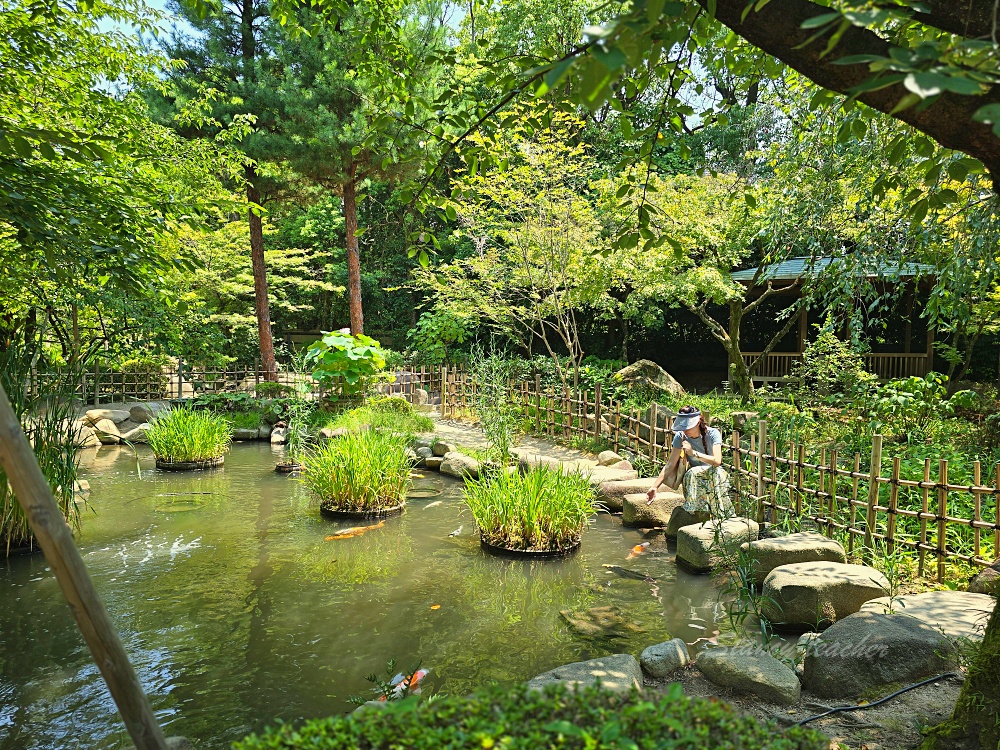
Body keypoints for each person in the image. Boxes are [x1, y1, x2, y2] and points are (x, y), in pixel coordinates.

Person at [645, 405, 733, 518]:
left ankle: (719, 513)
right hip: (694, 477)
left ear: (697, 423)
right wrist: (655, 486)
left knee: (699, 473)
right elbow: (670, 464)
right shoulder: (680, 436)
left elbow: (717, 461)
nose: (685, 431)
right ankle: (695, 513)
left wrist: (693, 453)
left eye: (688, 427)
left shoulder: (712, 434)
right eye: (683, 427)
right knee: (692, 473)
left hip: (715, 473)